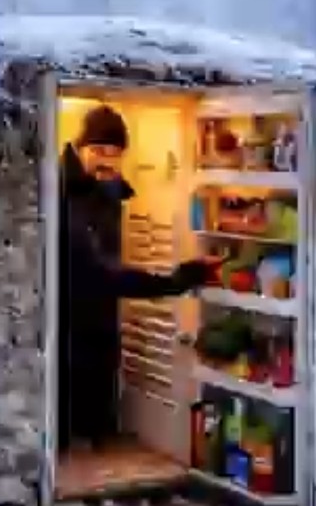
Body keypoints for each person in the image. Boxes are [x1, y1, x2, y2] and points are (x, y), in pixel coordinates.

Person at [58, 105, 208, 451]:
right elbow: (99, 269)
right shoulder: (65, 193)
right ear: (80, 149)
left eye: (114, 153)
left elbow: (108, 265)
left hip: (100, 314)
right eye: (97, 151)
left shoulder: (108, 192)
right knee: (71, 391)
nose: (105, 160)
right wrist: (172, 281)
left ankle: (94, 445)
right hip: (67, 312)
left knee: (99, 389)